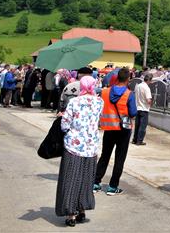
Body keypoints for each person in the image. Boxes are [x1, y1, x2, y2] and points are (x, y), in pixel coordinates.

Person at [57, 76, 103, 227]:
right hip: (91, 146)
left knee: (71, 178)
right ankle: (82, 210)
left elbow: (65, 125)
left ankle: (71, 215)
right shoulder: (99, 102)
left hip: (74, 146)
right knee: (86, 179)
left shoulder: (74, 102)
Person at [94, 68, 137, 195]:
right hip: (123, 130)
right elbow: (133, 113)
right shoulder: (129, 94)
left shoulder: (105, 92)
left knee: (104, 156)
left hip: (108, 128)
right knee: (119, 158)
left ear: (117, 77)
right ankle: (113, 187)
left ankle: (95, 183)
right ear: (128, 79)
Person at [132, 74, 153, 145]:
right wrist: (150, 104)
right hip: (144, 108)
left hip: (137, 107)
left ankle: (135, 139)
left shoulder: (138, 86)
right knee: (142, 126)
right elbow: (148, 100)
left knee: (137, 125)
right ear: (149, 80)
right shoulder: (146, 88)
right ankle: (139, 140)